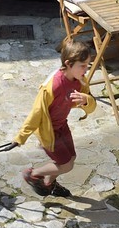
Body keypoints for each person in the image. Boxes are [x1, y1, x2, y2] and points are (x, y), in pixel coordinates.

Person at [14, 35, 96, 197]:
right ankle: (33, 174)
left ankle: (48, 183)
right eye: (82, 65)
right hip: (48, 131)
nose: (86, 69)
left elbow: (91, 104)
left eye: (88, 65)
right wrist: (21, 137)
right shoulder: (53, 86)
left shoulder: (80, 80)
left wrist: (86, 100)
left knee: (71, 158)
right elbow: (36, 113)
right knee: (66, 165)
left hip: (62, 125)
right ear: (68, 64)